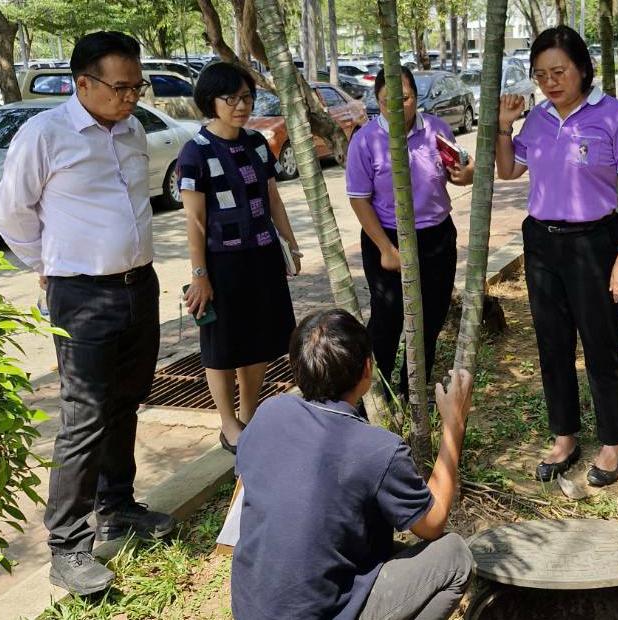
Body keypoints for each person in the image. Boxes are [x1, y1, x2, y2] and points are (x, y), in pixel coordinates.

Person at [0, 31, 174, 595]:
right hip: (82, 296)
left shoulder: (135, 128)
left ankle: (118, 506)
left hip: (139, 285)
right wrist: (52, 267)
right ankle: (68, 545)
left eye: (136, 86)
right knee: (85, 415)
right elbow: (13, 216)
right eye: (120, 87)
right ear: (83, 84)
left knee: (127, 400)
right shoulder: (44, 134)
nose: (130, 97)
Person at [231, 309, 474, 620]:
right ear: (367, 369)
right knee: (454, 555)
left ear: (296, 369)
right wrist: (454, 426)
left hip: (251, 608)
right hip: (319, 611)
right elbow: (432, 522)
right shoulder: (379, 449)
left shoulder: (268, 414)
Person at [495, 25, 618, 487]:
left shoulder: (615, 116)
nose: (550, 82)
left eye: (559, 71)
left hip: (594, 242)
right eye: (541, 75)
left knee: (602, 344)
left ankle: (613, 440)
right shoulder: (537, 120)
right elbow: (507, 170)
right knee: (552, 345)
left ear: (582, 68)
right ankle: (564, 436)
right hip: (542, 242)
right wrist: (504, 124)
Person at [178, 62, 299, 453]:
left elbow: (273, 198)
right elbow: (195, 220)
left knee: (260, 339)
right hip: (220, 263)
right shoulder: (194, 152)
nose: (240, 105)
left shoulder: (257, 143)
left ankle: (249, 415)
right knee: (222, 345)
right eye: (230, 98)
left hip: (262, 255)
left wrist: (290, 244)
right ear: (210, 101)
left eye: (246, 97)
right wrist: (200, 274)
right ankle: (228, 424)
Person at [344, 66, 474, 398]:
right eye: (389, 101)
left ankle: (412, 390)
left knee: (432, 317)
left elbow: (460, 169)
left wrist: (465, 174)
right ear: (377, 101)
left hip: (437, 237)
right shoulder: (366, 140)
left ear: (416, 96)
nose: (398, 106)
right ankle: (377, 393)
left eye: (405, 98)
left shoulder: (436, 129)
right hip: (386, 238)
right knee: (388, 319)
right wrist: (386, 248)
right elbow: (359, 201)